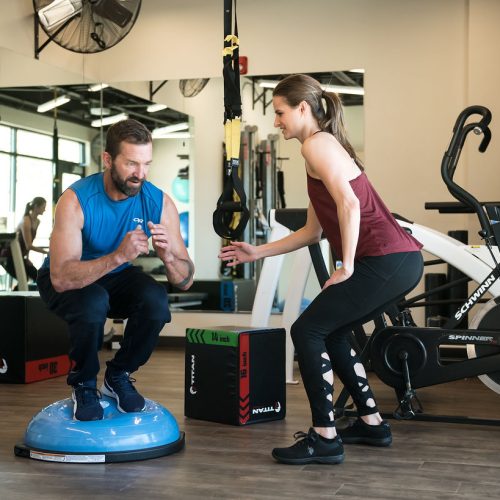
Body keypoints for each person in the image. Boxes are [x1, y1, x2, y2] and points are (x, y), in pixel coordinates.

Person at [219, 74, 424, 465]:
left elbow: (348, 205)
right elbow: (313, 232)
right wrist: (256, 252)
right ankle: (372, 423)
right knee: (331, 332)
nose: (276, 121)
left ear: (302, 109)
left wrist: (346, 265)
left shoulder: (317, 145)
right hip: (395, 261)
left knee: (306, 329)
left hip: (386, 259)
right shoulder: (320, 149)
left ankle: (325, 437)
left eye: (279, 112)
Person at [37, 118, 194, 422]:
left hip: (115, 275)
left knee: (155, 300)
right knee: (94, 301)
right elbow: (61, 277)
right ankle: (83, 382)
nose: (141, 174)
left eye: (147, 163)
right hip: (67, 278)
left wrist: (168, 258)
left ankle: (118, 375)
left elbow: (185, 280)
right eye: (132, 164)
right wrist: (118, 256)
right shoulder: (76, 200)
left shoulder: (158, 202)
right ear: (108, 159)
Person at [2, 197, 48, 284]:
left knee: (36, 276)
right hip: (10, 256)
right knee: (24, 279)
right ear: (36, 207)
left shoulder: (37, 221)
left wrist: (26, 258)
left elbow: (29, 242)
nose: (45, 210)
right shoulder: (26, 221)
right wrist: (47, 252)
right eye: (43, 207)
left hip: (20, 256)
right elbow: (28, 245)